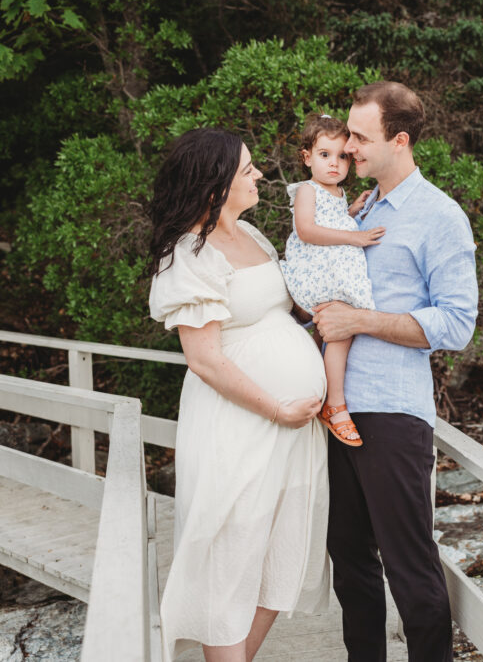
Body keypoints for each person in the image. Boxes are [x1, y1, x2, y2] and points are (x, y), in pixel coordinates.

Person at [147, 128, 331, 662]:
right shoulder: (189, 254)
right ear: (215, 183)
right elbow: (204, 358)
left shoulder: (253, 236)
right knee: (231, 553)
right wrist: (277, 408)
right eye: (247, 169)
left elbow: (288, 309)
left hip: (294, 428)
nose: (258, 175)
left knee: (282, 549)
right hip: (241, 423)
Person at [313, 81, 479, 662]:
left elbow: (457, 323)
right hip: (335, 410)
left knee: (410, 567)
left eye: (361, 137)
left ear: (400, 140)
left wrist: (360, 320)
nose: (348, 147)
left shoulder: (440, 216)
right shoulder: (356, 209)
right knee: (350, 561)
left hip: (392, 411)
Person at [280, 112, 383, 447]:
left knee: (336, 332)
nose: (335, 163)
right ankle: (335, 404)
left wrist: (351, 212)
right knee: (341, 329)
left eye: (342, 157)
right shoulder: (307, 190)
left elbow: (331, 221)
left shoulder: (337, 193)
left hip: (330, 272)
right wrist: (355, 236)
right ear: (307, 157)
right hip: (315, 272)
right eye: (325, 155)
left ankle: (318, 393)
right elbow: (307, 230)